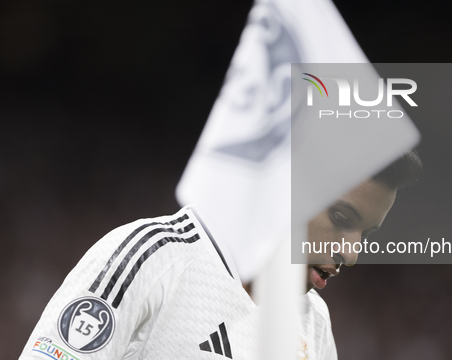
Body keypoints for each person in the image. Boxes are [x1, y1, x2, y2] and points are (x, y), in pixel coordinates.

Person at [18, 151, 422, 360]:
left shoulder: (313, 323)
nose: (350, 254)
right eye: (340, 217)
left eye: (366, 234)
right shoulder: (153, 257)